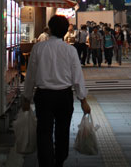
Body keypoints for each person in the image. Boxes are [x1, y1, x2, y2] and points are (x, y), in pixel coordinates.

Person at [21, 15, 90, 167]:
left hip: (44, 96)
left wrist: (26, 97)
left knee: (44, 131)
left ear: (50, 29)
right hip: (64, 96)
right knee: (63, 131)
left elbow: (30, 75)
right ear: (66, 31)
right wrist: (83, 100)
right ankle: (59, 161)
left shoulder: (38, 48)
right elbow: (77, 77)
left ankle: (46, 163)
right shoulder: (70, 50)